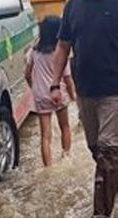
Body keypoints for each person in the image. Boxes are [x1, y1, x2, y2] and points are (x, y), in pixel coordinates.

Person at [50, 0, 118, 218]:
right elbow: (63, 46)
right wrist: (55, 84)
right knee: (95, 148)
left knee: (109, 151)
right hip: (86, 90)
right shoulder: (73, 6)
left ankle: (101, 213)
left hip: (116, 90)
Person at [25, 15, 76, 167]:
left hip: (41, 95)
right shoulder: (60, 53)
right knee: (65, 126)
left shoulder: (34, 52)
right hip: (59, 94)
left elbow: (27, 74)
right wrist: (73, 96)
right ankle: (66, 156)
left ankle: (48, 166)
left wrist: (34, 88)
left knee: (45, 135)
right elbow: (67, 79)